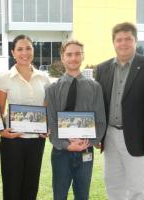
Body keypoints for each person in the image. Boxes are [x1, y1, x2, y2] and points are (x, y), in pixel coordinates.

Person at [96, 22, 144, 200]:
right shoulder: (103, 68)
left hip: (139, 137)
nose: (123, 43)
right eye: (119, 40)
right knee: (114, 184)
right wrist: (98, 135)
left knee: (138, 188)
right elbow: (99, 104)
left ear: (135, 41)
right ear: (113, 42)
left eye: (128, 39)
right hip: (109, 136)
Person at [45, 40, 106, 200]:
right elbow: (51, 121)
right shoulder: (52, 89)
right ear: (62, 57)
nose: (73, 58)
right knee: (59, 195)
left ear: (83, 56)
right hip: (61, 153)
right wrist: (66, 145)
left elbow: (100, 121)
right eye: (69, 54)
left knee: (82, 195)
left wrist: (89, 141)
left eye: (77, 54)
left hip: (86, 150)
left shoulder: (95, 88)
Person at [0, 34, 50, 200]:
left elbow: (46, 108)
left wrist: (47, 127)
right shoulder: (4, 77)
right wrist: (1, 131)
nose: (24, 52)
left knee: (31, 187)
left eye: (28, 48)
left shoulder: (44, 78)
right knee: (12, 189)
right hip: (13, 141)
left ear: (33, 50)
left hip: (36, 140)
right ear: (13, 52)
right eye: (20, 49)